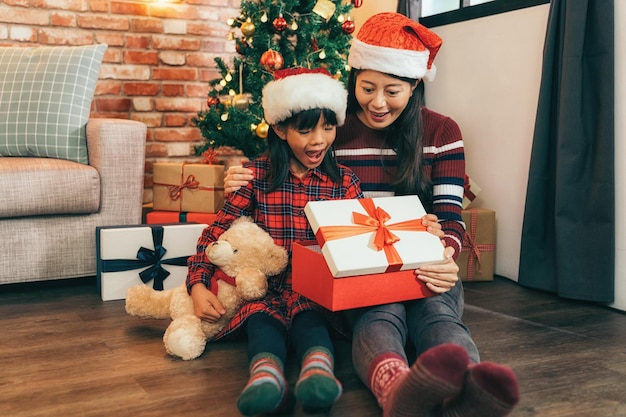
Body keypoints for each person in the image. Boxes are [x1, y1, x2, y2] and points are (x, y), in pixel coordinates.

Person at [223, 12, 520, 417]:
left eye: (393, 91)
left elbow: (450, 216)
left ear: (415, 86)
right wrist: (241, 176)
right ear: (354, 81)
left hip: (425, 260)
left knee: (436, 311)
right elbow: (286, 166)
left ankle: (467, 390)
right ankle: (396, 389)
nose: (377, 103)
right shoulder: (334, 128)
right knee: (380, 314)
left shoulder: (442, 132)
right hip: (357, 269)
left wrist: (447, 256)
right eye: (367, 88)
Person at [187, 67, 363, 416]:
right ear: (281, 129)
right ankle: (265, 379)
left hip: (317, 293)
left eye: (328, 128)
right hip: (262, 291)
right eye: (305, 129)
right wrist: (197, 285)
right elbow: (216, 234)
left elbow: (361, 240)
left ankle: (318, 374)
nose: (319, 140)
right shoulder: (255, 178)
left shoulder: (344, 183)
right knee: (261, 324)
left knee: (312, 324)